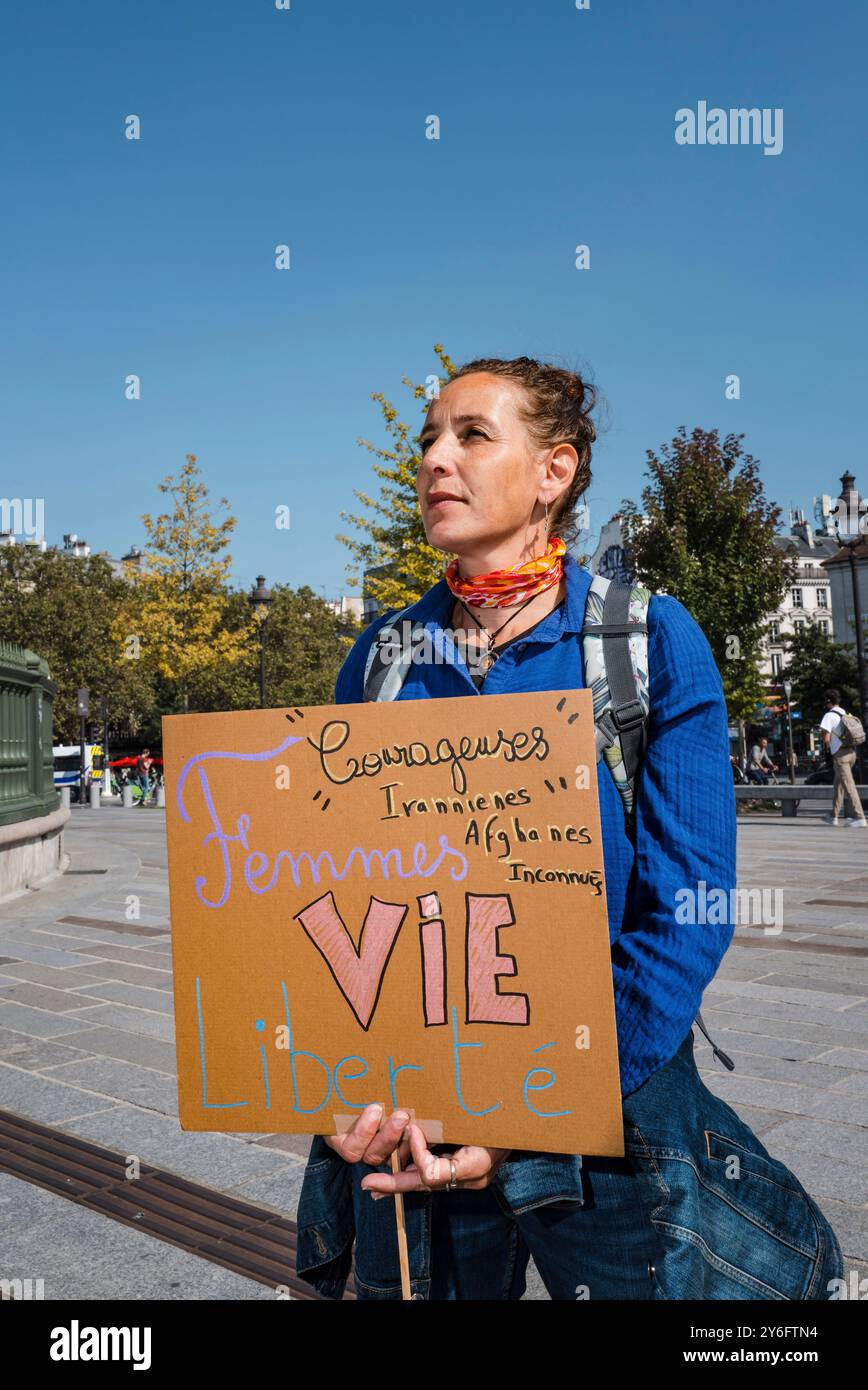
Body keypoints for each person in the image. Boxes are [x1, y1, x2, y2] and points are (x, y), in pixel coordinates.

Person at [294, 356, 842, 1300]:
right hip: (420, 1115)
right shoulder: (383, 655)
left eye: (470, 434)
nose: (433, 459)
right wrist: (339, 1084)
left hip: (607, 1117)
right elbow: (327, 893)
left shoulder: (646, 643)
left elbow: (688, 913)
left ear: (555, 470)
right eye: (427, 437)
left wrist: (529, 1108)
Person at [819, 689, 866, 827]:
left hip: (840, 756)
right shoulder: (844, 712)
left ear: (828, 701)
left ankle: (860, 817)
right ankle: (833, 816)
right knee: (838, 785)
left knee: (849, 786)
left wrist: (824, 736)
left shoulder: (829, 716)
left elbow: (826, 739)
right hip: (851, 753)